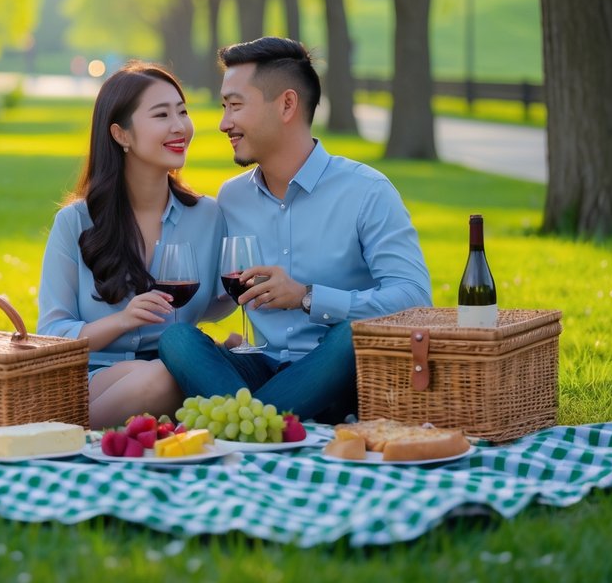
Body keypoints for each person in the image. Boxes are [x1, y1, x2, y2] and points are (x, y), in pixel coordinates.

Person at [158, 37, 431, 422]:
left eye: (235, 106)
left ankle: (248, 423)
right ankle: (267, 423)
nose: (223, 123)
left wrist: (308, 297)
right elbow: (220, 295)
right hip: (258, 365)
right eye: (224, 107)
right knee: (178, 340)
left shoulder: (367, 191)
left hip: (336, 373)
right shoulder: (232, 197)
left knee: (349, 336)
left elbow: (415, 298)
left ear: (287, 104)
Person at [38, 62, 226, 428]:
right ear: (121, 135)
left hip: (175, 369)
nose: (180, 126)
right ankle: (61, 429)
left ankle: (58, 433)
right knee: (162, 376)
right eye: (161, 114)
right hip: (97, 378)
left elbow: (218, 303)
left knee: (176, 370)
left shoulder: (207, 215)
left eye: (182, 112)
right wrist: (123, 320)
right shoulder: (76, 222)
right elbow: (52, 334)